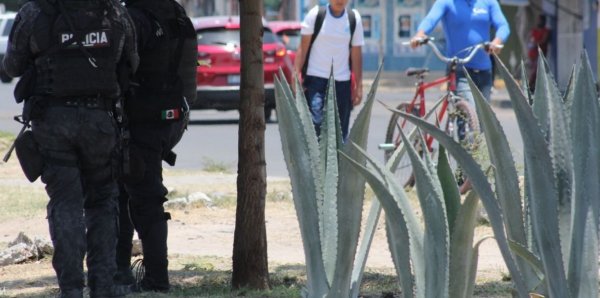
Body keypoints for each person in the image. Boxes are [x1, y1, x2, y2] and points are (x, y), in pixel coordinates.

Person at [2, 0, 138, 296]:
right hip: (100, 121)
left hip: (53, 122)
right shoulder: (114, 12)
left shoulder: (35, 12)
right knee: (102, 203)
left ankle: (72, 289)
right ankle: (103, 286)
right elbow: (131, 62)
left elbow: (11, 64)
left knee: (66, 204)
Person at [113, 0, 197, 292]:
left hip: (141, 122)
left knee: (142, 198)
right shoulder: (176, 13)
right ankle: (121, 270)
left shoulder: (135, 18)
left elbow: (118, 67)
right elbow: (189, 79)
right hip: (169, 119)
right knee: (127, 191)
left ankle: (155, 280)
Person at [411, 0, 510, 106]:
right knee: (469, 112)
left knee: (484, 118)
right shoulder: (446, 2)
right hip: (459, 69)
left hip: (485, 70)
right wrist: (420, 34)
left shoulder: (489, 2)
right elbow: (430, 19)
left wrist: (497, 41)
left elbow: (503, 25)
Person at [294, 0, 364, 140]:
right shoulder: (316, 15)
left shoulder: (353, 19)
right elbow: (303, 48)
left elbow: (356, 54)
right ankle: (317, 161)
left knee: (341, 131)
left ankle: (337, 161)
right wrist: (295, 75)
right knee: (316, 124)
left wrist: (359, 85)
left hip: (342, 82)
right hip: (316, 80)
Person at [527, 14, 550, 91]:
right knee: (532, 70)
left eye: (540, 20)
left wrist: (536, 43)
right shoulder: (534, 31)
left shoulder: (545, 31)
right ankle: (531, 86)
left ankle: (530, 86)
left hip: (540, 55)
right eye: (538, 20)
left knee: (536, 71)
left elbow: (543, 41)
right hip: (532, 54)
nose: (539, 22)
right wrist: (534, 43)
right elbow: (531, 40)